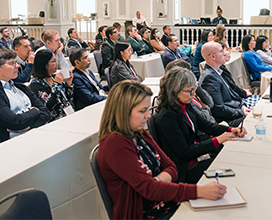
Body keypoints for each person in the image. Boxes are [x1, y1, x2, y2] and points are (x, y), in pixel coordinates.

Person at [97, 80, 227, 220]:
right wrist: (198, 191)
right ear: (122, 112)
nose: (148, 115)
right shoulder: (115, 144)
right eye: (142, 111)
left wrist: (156, 180)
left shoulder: (140, 134)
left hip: (164, 204)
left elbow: (171, 167)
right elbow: (150, 189)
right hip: (145, 214)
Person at [153, 67, 246, 184]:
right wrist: (219, 139)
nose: (193, 94)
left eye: (194, 89)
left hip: (195, 160)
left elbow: (207, 126)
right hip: (184, 170)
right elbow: (185, 152)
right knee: (231, 168)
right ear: (175, 91)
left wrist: (231, 129)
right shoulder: (167, 117)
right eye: (190, 90)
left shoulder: (184, 105)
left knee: (231, 161)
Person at [0, 48, 50, 146]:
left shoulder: (21, 87)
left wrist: (28, 126)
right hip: (13, 146)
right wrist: (34, 111)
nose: (18, 66)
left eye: (16, 62)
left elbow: (46, 113)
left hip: (36, 137)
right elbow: (15, 122)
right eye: (12, 63)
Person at [199, 42, 249, 127]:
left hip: (234, 110)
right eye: (221, 51)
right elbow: (219, 109)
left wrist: (242, 106)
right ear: (213, 56)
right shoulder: (209, 77)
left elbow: (232, 93)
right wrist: (241, 112)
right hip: (224, 121)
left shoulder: (218, 70)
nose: (225, 53)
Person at [30, 50, 74, 122]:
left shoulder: (54, 78)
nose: (57, 63)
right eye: (53, 61)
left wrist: (69, 85)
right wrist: (56, 85)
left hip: (67, 114)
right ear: (44, 64)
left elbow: (69, 99)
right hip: (54, 121)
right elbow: (47, 106)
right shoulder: (36, 85)